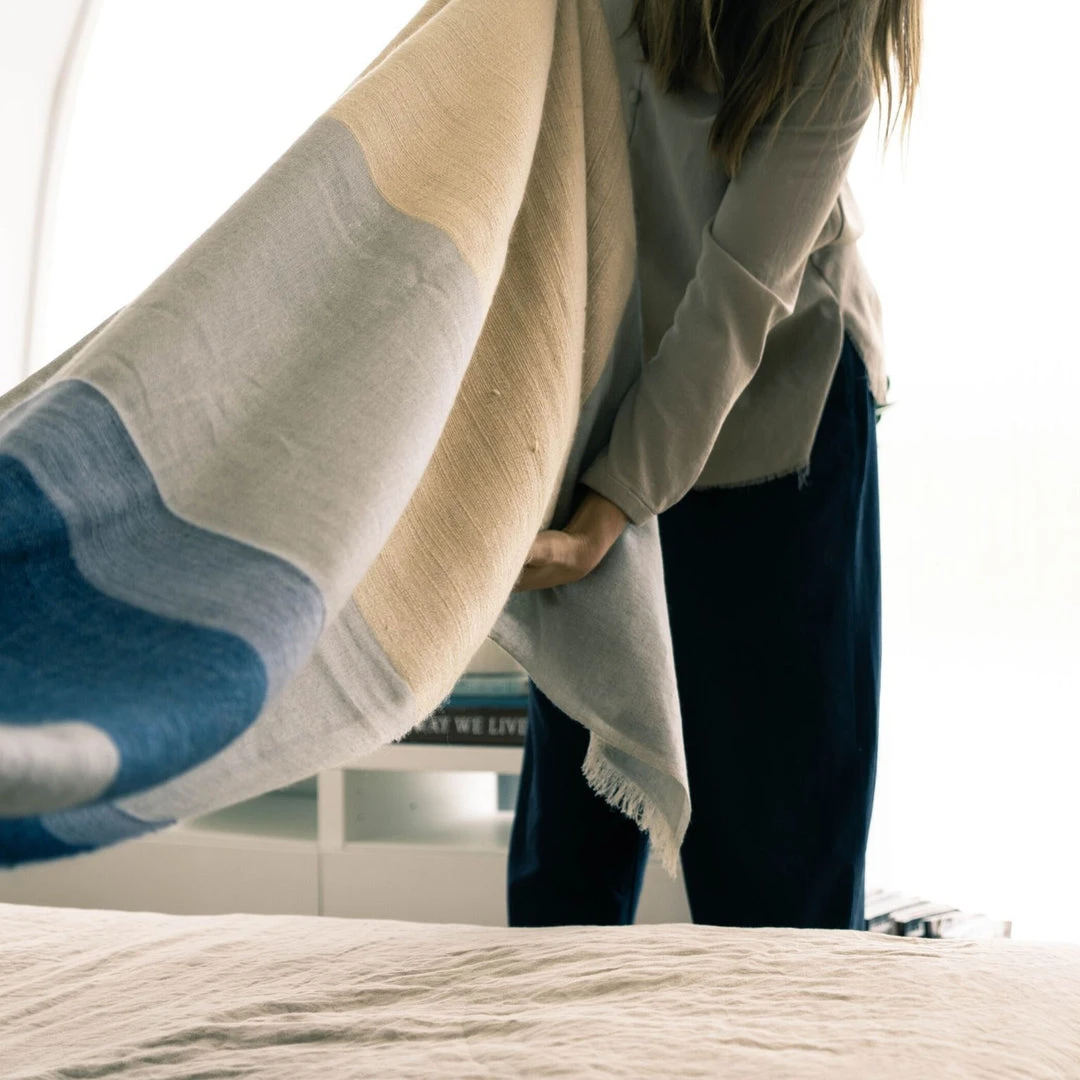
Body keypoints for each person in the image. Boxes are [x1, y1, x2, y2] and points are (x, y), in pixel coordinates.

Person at [508, 0, 921, 930]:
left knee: (777, 894)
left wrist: (607, 511)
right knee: (564, 871)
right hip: (607, 393)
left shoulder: (842, 20)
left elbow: (737, 294)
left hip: (777, 422)